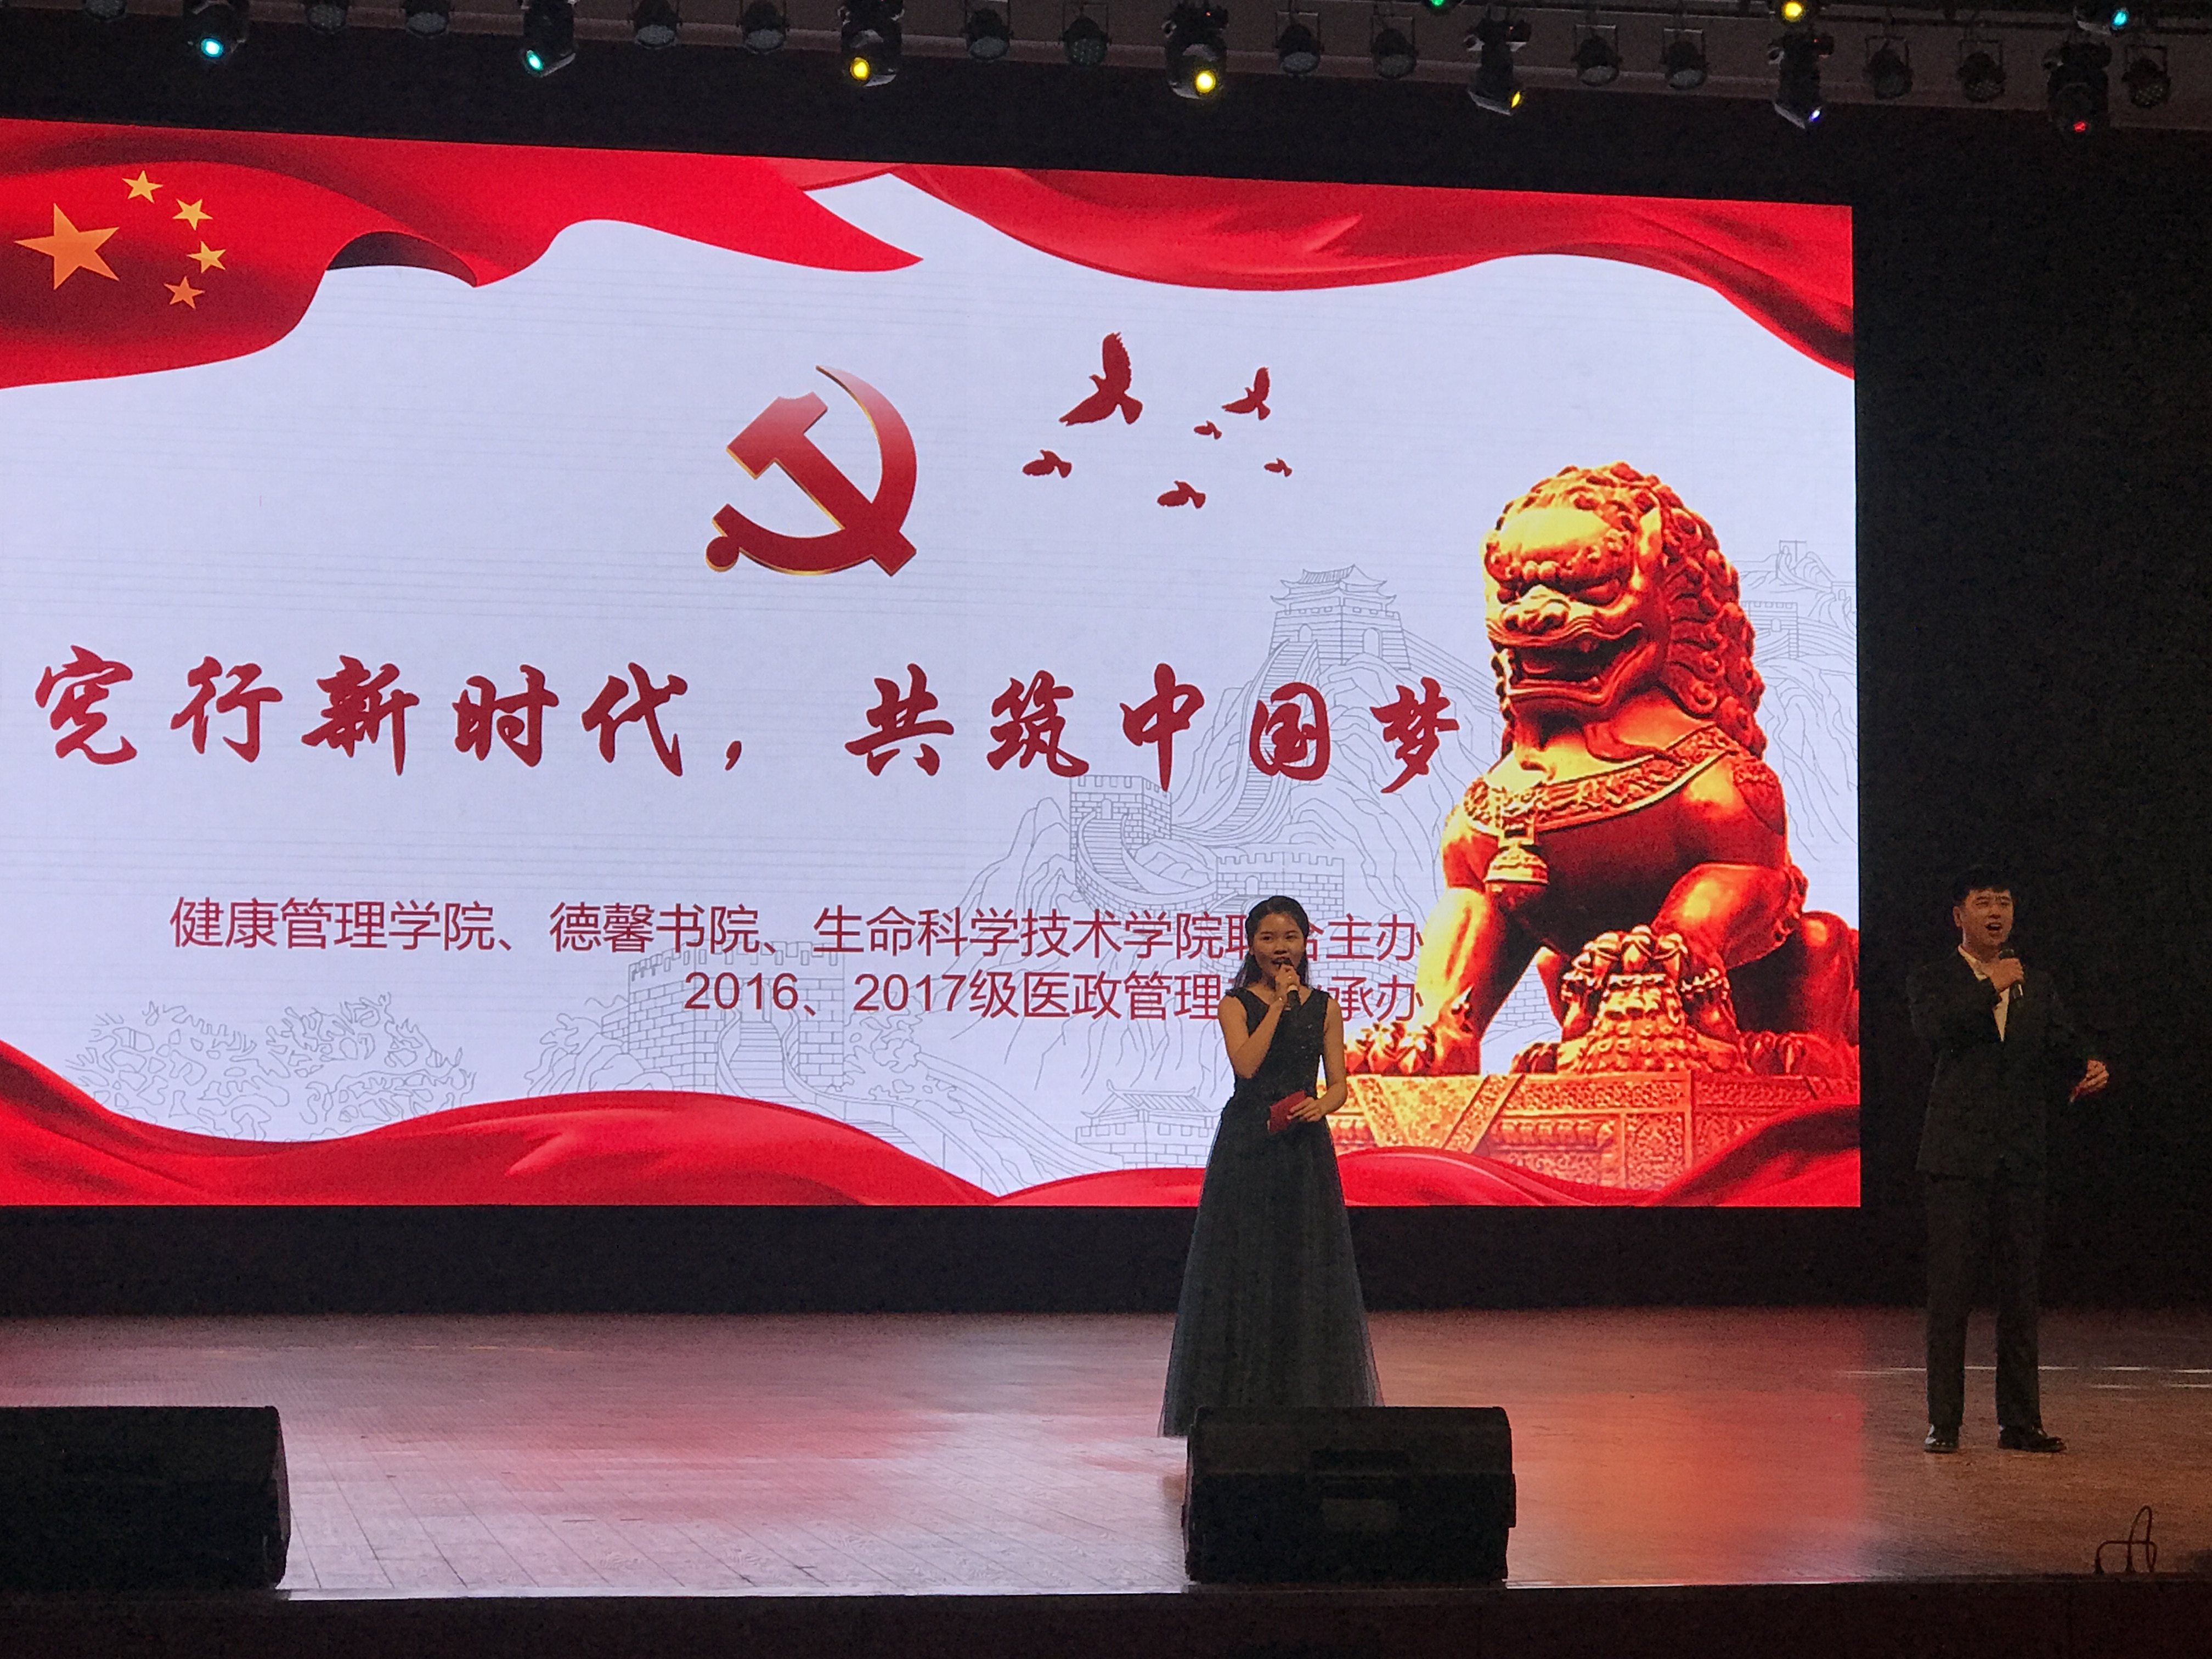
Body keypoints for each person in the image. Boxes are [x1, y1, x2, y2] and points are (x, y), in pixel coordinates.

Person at [1160, 895, 1381, 1436]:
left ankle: (1302, 1404)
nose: (1280, 947)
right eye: (1268, 938)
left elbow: (1339, 1086)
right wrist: (1281, 1004)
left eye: (1290, 937)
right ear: (1251, 946)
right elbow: (1247, 1065)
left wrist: (1321, 1106)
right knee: (1244, 1263)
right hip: (1249, 1144)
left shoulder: (1325, 1007)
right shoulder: (1235, 1004)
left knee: (1303, 1265)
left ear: (1305, 943)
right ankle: (1236, 1408)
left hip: (1303, 1148)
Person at [1907, 867, 2108, 1455]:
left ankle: (2020, 1423)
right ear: (1959, 916)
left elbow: (2062, 1044)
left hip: (2020, 1159)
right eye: (1983, 902)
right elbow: (1936, 1031)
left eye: (2004, 903)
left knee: (2020, 1296)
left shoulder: (2034, 984)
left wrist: (2089, 1066)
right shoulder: (1935, 979)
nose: (1996, 912)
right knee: (1951, 1297)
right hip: (1956, 1160)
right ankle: (1945, 1422)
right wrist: (1989, 985)